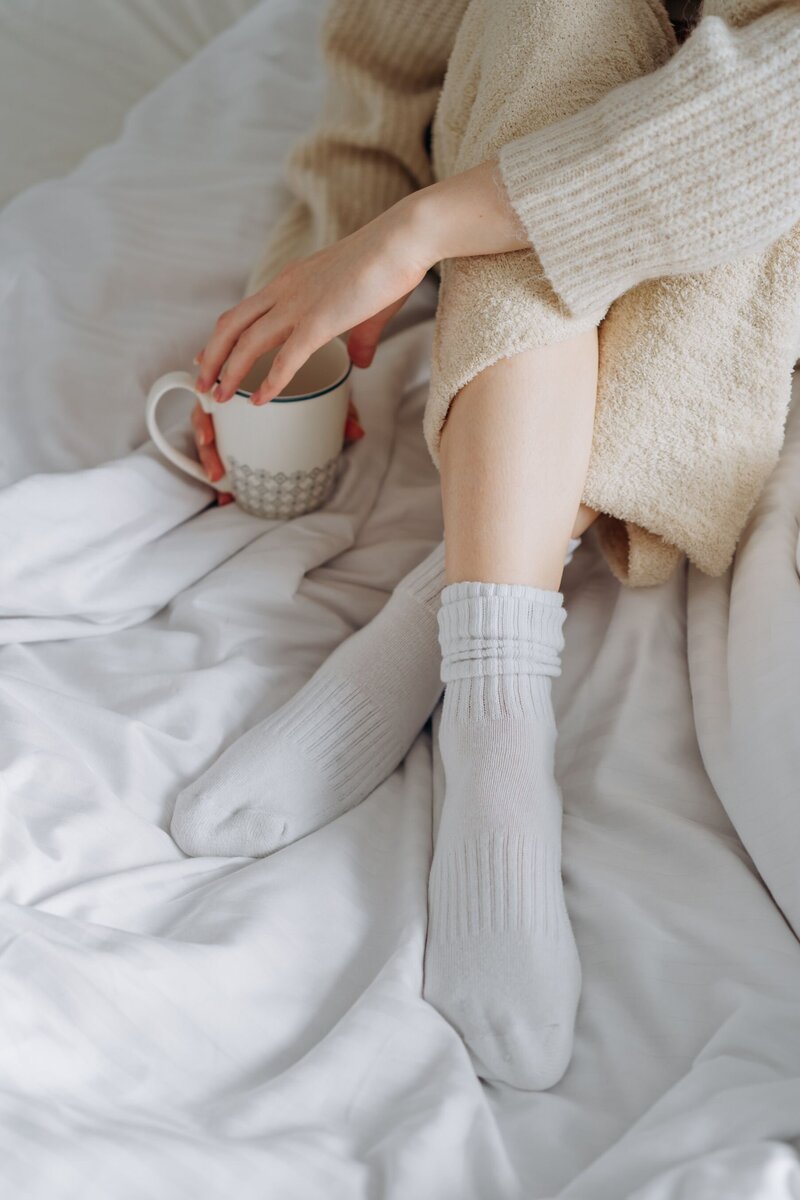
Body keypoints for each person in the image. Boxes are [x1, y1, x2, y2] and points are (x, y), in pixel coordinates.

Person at [171, 0, 800, 1090]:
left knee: (715, 148)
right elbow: (386, 59)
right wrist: (319, 279)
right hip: (543, 103)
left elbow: (771, 115)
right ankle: (496, 662)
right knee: (549, 20)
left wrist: (413, 233)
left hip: (763, 183)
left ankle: (471, 668)